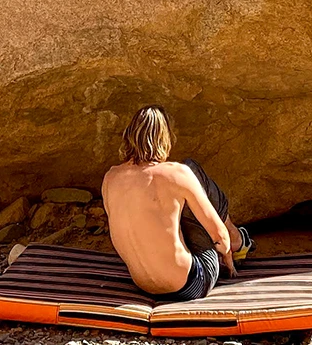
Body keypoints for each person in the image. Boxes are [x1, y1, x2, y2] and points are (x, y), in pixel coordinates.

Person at [102, 106, 251, 303]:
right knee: (192, 169)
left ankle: (236, 238)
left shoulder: (110, 178)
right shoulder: (176, 173)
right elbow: (219, 236)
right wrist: (228, 261)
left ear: (129, 136)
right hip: (190, 284)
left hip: (144, 286)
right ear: (165, 138)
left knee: (172, 210)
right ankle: (237, 240)